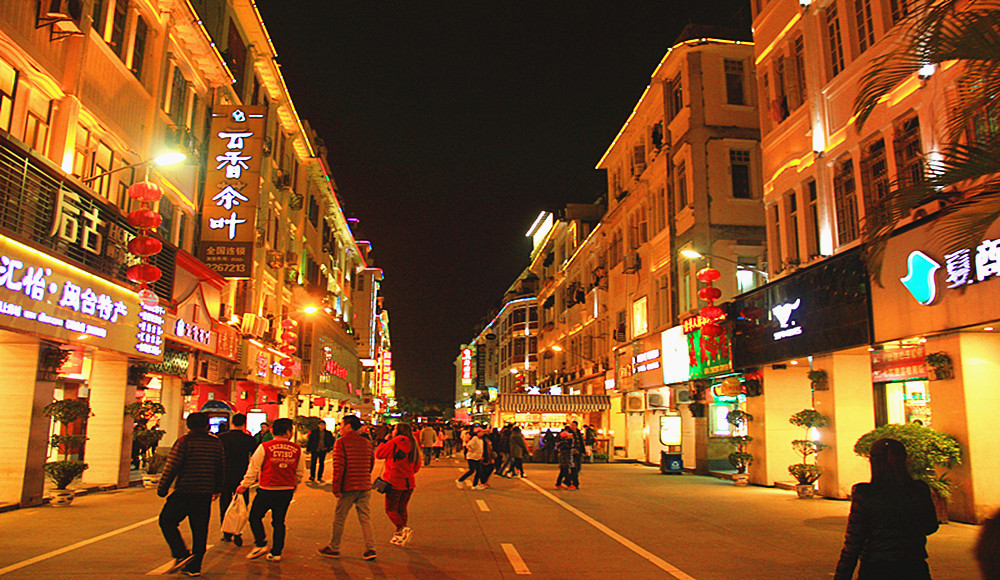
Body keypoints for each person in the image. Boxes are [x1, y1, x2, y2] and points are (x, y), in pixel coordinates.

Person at [834, 438, 939, 579]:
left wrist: (842, 574)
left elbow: (854, 541)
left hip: (877, 567)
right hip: (913, 565)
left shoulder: (866, 494)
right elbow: (930, 526)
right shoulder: (919, 490)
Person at [157, 412, 225, 577]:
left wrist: (163, 487)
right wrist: (217, 489)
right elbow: (221, 468)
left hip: (185, 491)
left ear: (188, 426)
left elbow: (171, 466)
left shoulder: (184, 442)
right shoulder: (215, 444)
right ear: (207, 426)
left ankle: (180, 552)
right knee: (200, 530)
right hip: (204, 493)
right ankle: (195, 566)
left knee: (166, 520)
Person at [237, 418, 306, 562]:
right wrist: (294, 484)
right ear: (288, 432)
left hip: (267, 488)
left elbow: (254, 468)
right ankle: (276, 552)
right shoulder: (297, 449)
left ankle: (261, 542)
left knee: (255, 517)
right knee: (279, 521)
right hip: (286, 490)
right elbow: (299, 472)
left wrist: (245, 484)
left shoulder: (265, 447)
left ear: (273, 431)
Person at [318, 415, 376, 561]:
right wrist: (364, 477)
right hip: (364, 485)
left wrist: (336, 488)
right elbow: (371, 464)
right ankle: (370, 548)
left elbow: (339, 467)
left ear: (348, 426)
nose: (341, 428)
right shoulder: (367, 443)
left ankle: (334, 547)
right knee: (365, 518)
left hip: (348, 486)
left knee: (340, 518)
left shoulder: (341, 442)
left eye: (342, 425)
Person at [376, 423, 421, 546]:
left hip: (394, 481)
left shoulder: (395, 441)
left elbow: (379, 454)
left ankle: (402, 528)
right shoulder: (413, 442)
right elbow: (417, 464)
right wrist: (408, 472)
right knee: (402, 508)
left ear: (398, 431)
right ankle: (400, 534)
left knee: (390, 508)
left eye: (394, 428)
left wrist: (384, 441)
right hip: (409, 482)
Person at [218, 413, 255, 546]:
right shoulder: (249, 439)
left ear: (232, 422)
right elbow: (255, 458)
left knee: (225, 504)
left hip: (225, 476)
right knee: (242, 505)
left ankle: (226, 532)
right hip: (242, 476)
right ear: (244, 424)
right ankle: (238, 531)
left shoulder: (221, 438)